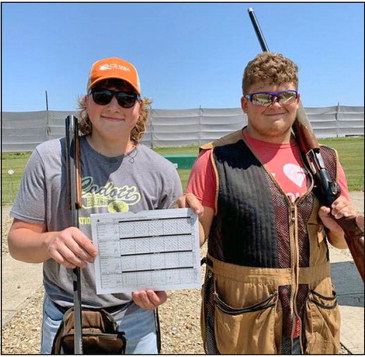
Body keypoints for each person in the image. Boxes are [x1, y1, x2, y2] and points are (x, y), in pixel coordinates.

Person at [176, 52, 359, 354]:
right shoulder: (215, 159)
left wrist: (341, 223)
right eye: (262, 96)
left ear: (297, 101)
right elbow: (196, 235)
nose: (275, 104)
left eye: (285, 95)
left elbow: (339, 242)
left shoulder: (325, 160)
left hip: (314, 315)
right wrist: (179, 222)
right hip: (245, 320)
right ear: (244, 104)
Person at [7, 56, 183, 354]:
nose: (114, 106)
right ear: (87, 102)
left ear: (140, 108)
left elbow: (165, 256)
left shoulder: (162, 171)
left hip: (135, 317)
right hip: (65, 314)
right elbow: (17, 242)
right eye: (103, 96)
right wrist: (50, 241)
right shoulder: (50, 158)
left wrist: (157, 286)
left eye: (126, 98)